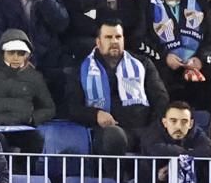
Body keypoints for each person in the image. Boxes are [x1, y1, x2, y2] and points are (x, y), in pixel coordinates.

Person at [69, 21, 168, 156]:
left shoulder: (142, 64)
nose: (114, 41)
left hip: (143, 131)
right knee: (113, 136)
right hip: (103, 133)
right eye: (108, 37)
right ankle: (116, 177)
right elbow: (72, 107)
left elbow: (160, 99)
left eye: (118, 37)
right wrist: (95, 114)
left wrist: (152, 128)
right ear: (98, 42)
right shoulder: (81, 69)